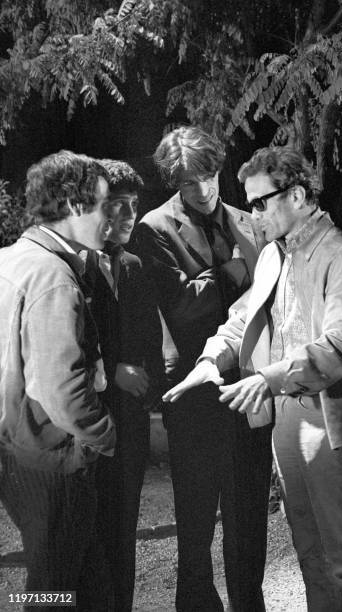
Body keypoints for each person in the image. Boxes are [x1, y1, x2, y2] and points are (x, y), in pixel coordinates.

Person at [164, 146, 342, 611]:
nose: (255, 213)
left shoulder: (341, 255)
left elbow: (340, 345)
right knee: (309, 549)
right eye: (250, 202)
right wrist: (211, 360)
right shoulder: (273, 255)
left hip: (328, 416)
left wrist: (269, 377)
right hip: (286, 413)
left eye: (261, 202)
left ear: (299, 195)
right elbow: (242, 318)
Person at [134, 126, 271, 611]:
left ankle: (247, 604)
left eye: (209, 176)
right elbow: (179, 306)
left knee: (249, 515)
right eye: (191, 183)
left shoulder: (249, 221)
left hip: (251, 384)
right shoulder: (153, 227)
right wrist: (235, 273)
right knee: (195, 521)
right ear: (175, 182)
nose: (204, 189)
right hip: (193, 393)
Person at [0, 151, 116, 610]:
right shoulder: (54, 276)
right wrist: (104, 434)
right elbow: (61, 390)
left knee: (82, 588)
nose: (111, 219)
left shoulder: (11, 260)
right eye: (105, 206)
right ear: (72, 204)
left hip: (17, 453)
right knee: (52, 592)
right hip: (54, 459)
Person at [84, 159, 164, 611]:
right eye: (118, 205)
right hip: (86, 425)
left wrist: (149, 384)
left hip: (130, 425)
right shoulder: (70, 264)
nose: (130, 215)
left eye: (134, 205)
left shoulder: (133, 265)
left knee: (124, 536)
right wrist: (115, 370)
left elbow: (149, 338)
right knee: (83, 543)